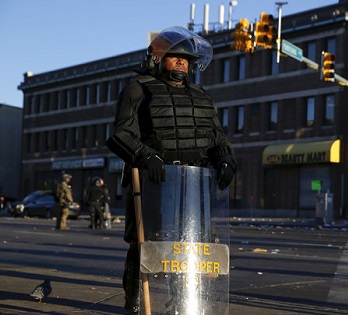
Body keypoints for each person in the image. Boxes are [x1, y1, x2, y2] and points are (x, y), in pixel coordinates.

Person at [106, 26, 236, 315]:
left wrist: (226, 160)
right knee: (142, 246)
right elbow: (120, 135)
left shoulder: (201, 95)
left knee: (187, 248)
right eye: (175, 56)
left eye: (187, 59)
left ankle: (182, 303)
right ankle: (134, 302)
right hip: (153, 182)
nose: (182, 62)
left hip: (194, 187)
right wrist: (144, 155)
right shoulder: (138, 88)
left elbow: (216, 137)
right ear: (157, 58)